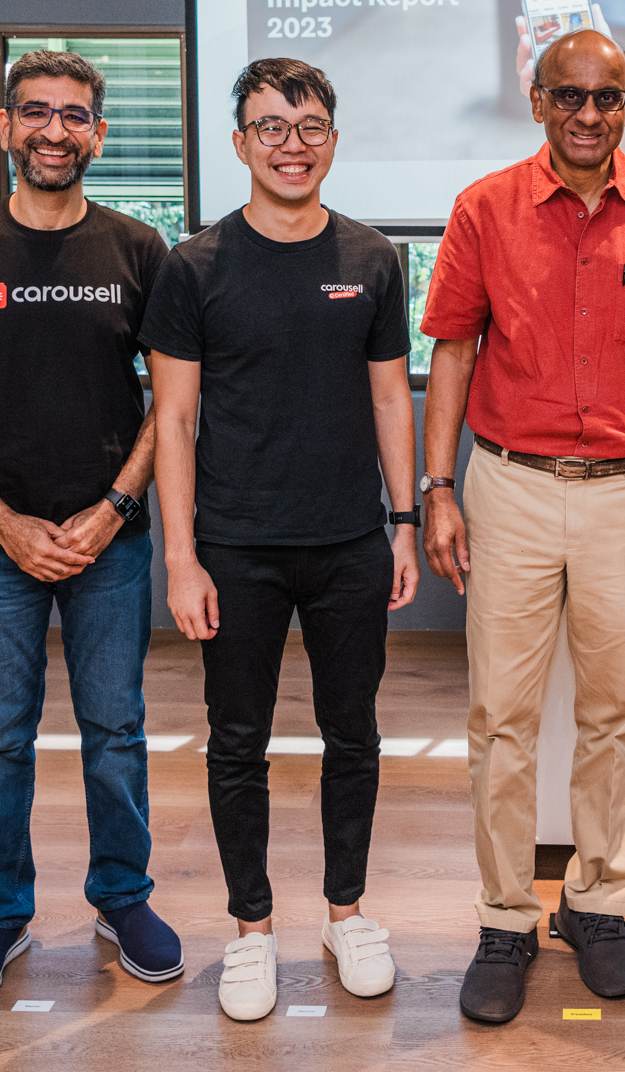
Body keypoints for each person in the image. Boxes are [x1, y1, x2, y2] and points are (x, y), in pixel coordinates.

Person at [420, 28, 625, 1024]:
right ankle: (505, 916)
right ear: (536, 100)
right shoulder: (483, 209)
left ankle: (595, 902)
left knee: (613, 712)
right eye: (569, 97)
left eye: (607, 99)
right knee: (499, 719)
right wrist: (437, 487)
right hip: (508, 486)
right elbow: (452, 354)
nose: (588, 116)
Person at [0, 48, 179, 1016]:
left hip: (109, 547)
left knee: (116, 732)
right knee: (0, 739)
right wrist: (6, 526)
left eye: (76, 115)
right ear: (8, 126)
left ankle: (120, 901)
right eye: (37, 112)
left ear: (99, 131)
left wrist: (112, 511)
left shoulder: (137, 249)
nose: (56, 130)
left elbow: (171, 404)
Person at [140, 58, 418, 1022]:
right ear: (240, 143)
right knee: (236, 742)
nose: (291, 145)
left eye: (308, 127)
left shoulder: (375, 259)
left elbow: (391, 394)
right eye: (270, 127)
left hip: (349, 542)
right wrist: (180, 555)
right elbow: (173, 422)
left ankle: (347, 911)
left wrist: (406, 521)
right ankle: (251, 927)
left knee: (356, 736)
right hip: (236, 549)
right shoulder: (192, 267)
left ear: (332, 140)